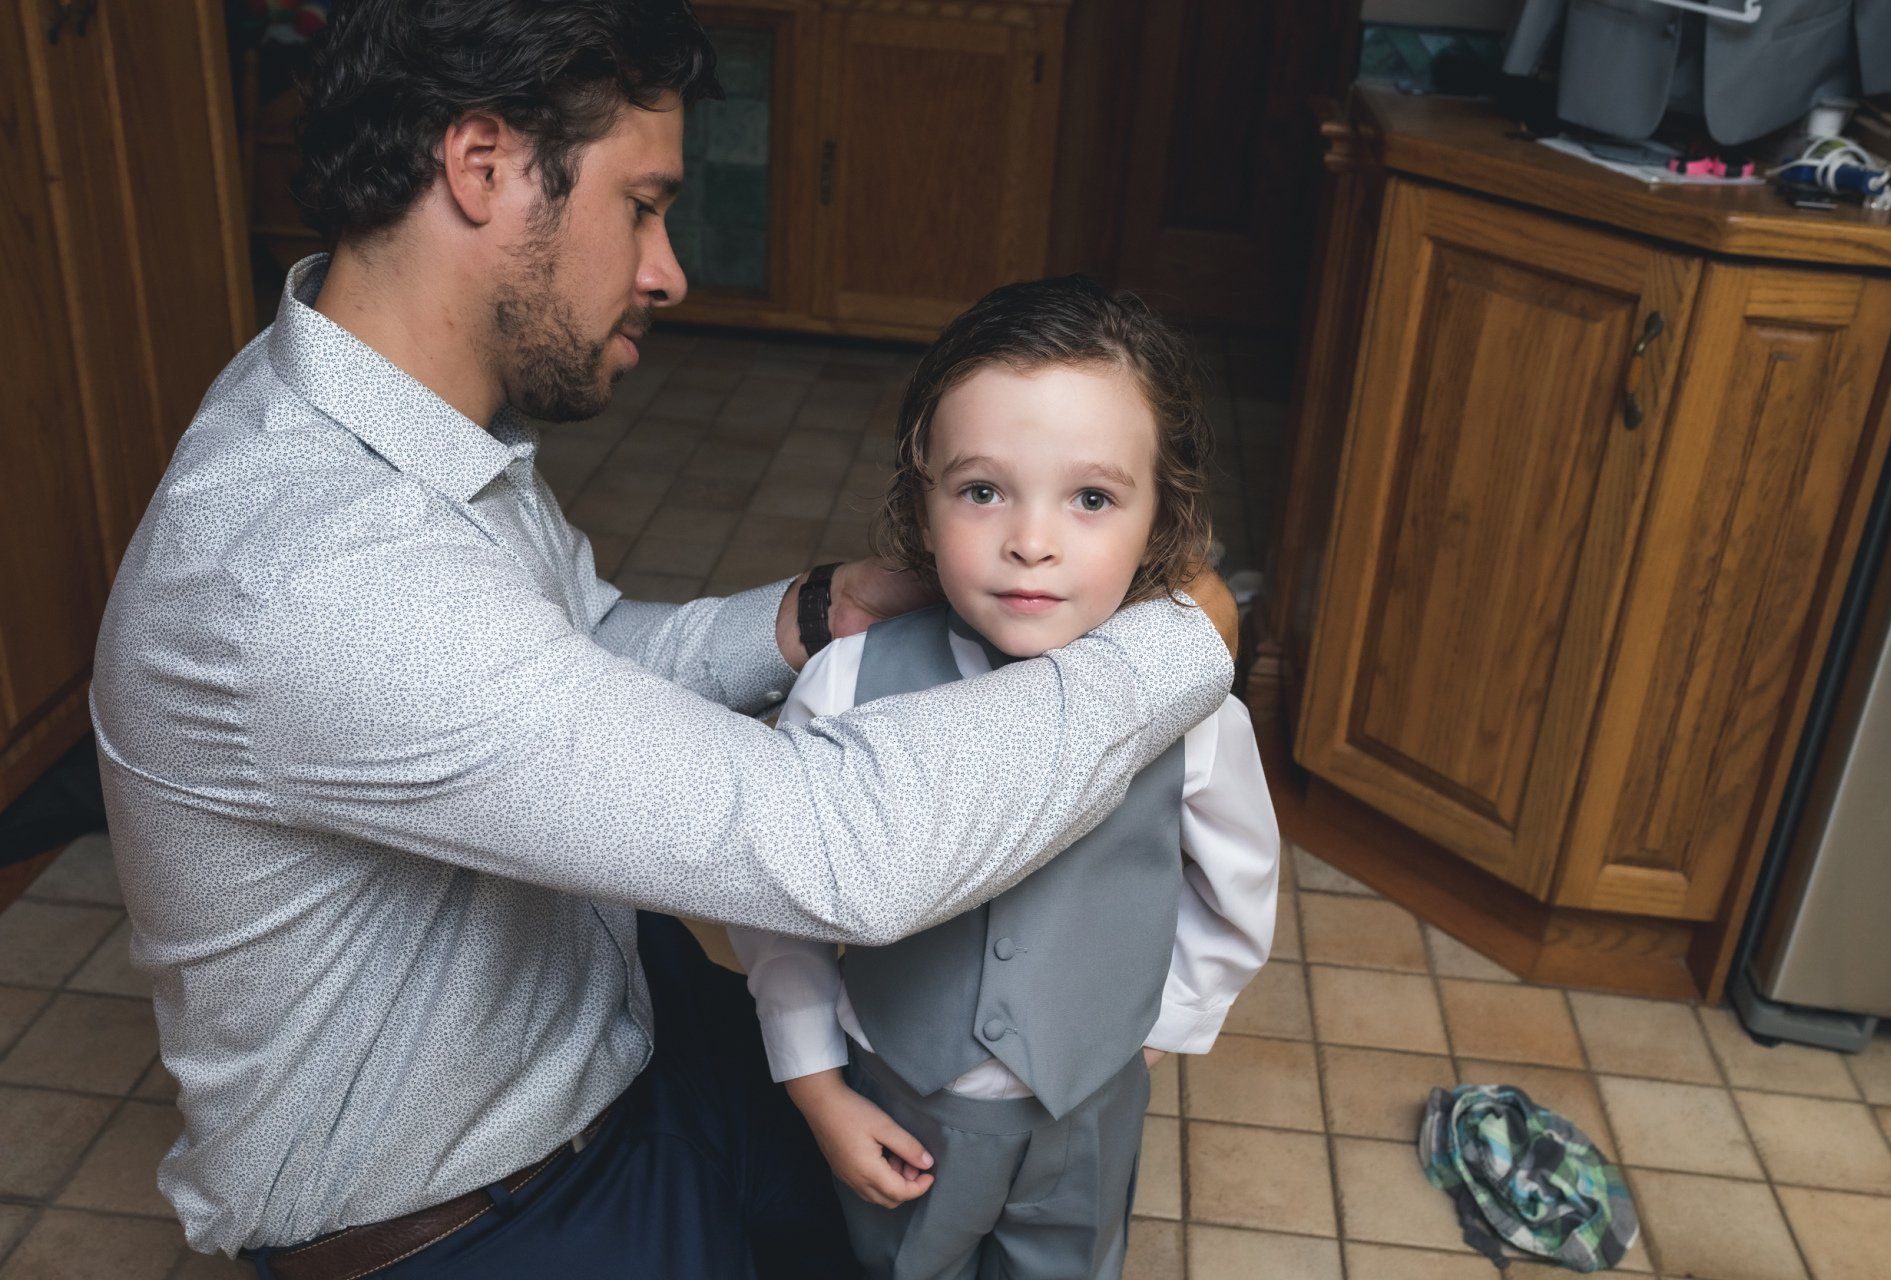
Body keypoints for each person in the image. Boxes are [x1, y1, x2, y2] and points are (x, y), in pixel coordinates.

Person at [86, 1, 1236, 1277]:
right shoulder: (318, 571)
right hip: (486, 1215)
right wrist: (1184, 636)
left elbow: (572, 663)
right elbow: (834, 848)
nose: (669, 267)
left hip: (622, 1023)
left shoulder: (395, 420)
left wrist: (812, 614)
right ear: (483, 168)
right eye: (643, 204)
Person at [729, 277, 1281, 1279]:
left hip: (1090, 1103)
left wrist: (1152, 1032)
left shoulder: (1193, 713)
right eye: (983, 490)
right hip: (897, 1096)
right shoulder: (850, 684)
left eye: (1092, 497)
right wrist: (818, 1085)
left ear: (1161, 521)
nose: (1032, 539)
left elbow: (1236, 887)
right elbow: (779, 903)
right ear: (923, 501)